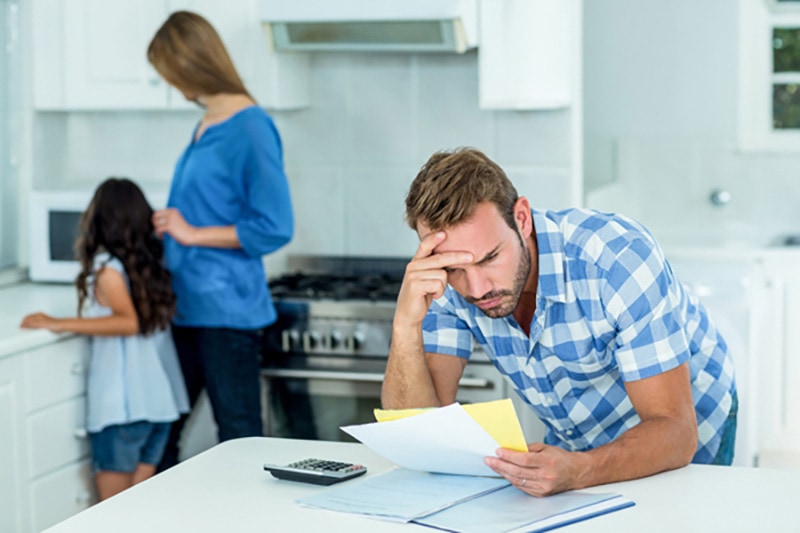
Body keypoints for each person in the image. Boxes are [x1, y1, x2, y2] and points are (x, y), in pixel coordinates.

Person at [382, 147, 738, 497]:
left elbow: (676, 432)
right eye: (454, 268)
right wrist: (405, 326)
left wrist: (580, 470)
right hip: (578, 444)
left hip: (685, 425)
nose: (476, 289)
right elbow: (420, 431)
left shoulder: (617, 259)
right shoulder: (443, 283)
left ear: (521, 218)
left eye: (490, 258)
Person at [146, 11, 294, 470]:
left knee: (240, 441)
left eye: (171, 74)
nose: (172, 85)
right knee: (160, 436)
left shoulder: (250, 127)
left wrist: (191, 232)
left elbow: (275, 224)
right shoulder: (207, 121)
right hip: (186, 306)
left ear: (191, 65)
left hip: (225, 314)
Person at [20, 178, 189, 501]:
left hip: (122, 411)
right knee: (136, 509)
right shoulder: (149, 266)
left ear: (97, 218)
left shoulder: (107, 269)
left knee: (112, 516)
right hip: (158, 408)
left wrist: (59, 322)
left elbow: (128, 323)